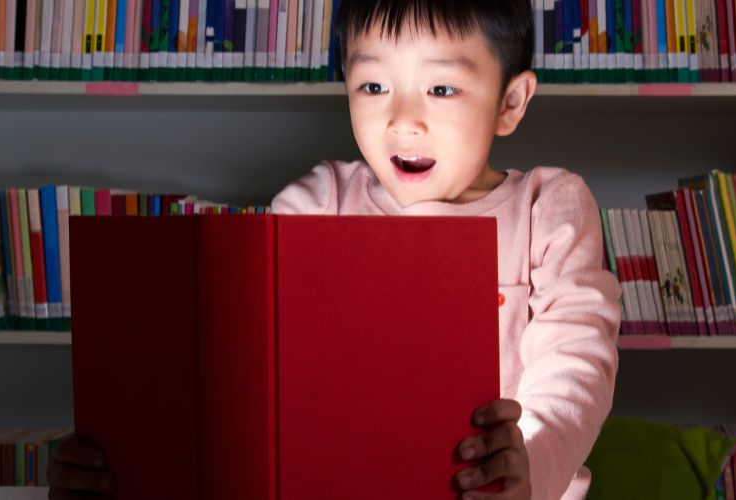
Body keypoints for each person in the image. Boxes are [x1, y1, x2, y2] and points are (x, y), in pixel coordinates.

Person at [48, 1, 621, 499]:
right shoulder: (319, 201)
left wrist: (529, 467)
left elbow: (577, 365)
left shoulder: (548, 207)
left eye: (441, 88)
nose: (402, 121)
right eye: (373, 86)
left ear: (511, 102)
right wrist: (126, 465)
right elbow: (240, 368)